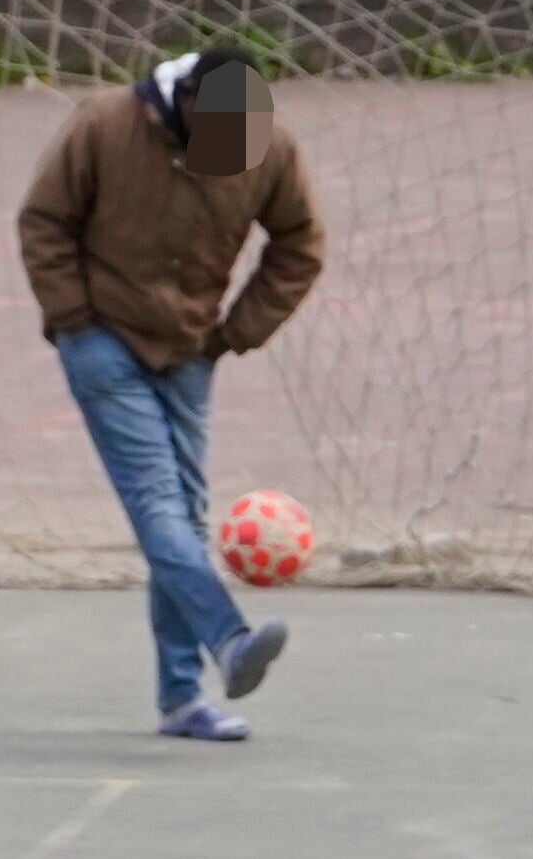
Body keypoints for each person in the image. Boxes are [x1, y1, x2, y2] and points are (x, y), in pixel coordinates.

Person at [16, 48, 321, 739]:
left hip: (191, 346)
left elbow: (300, 242)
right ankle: (228, 641)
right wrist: (73, 320)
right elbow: (43, 220)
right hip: (101, 341)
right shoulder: (103, 124)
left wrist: (236, 332)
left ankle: (180, 700)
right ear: (183, 104)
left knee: (183, 511)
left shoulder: (268, 145)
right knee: (159, 502)